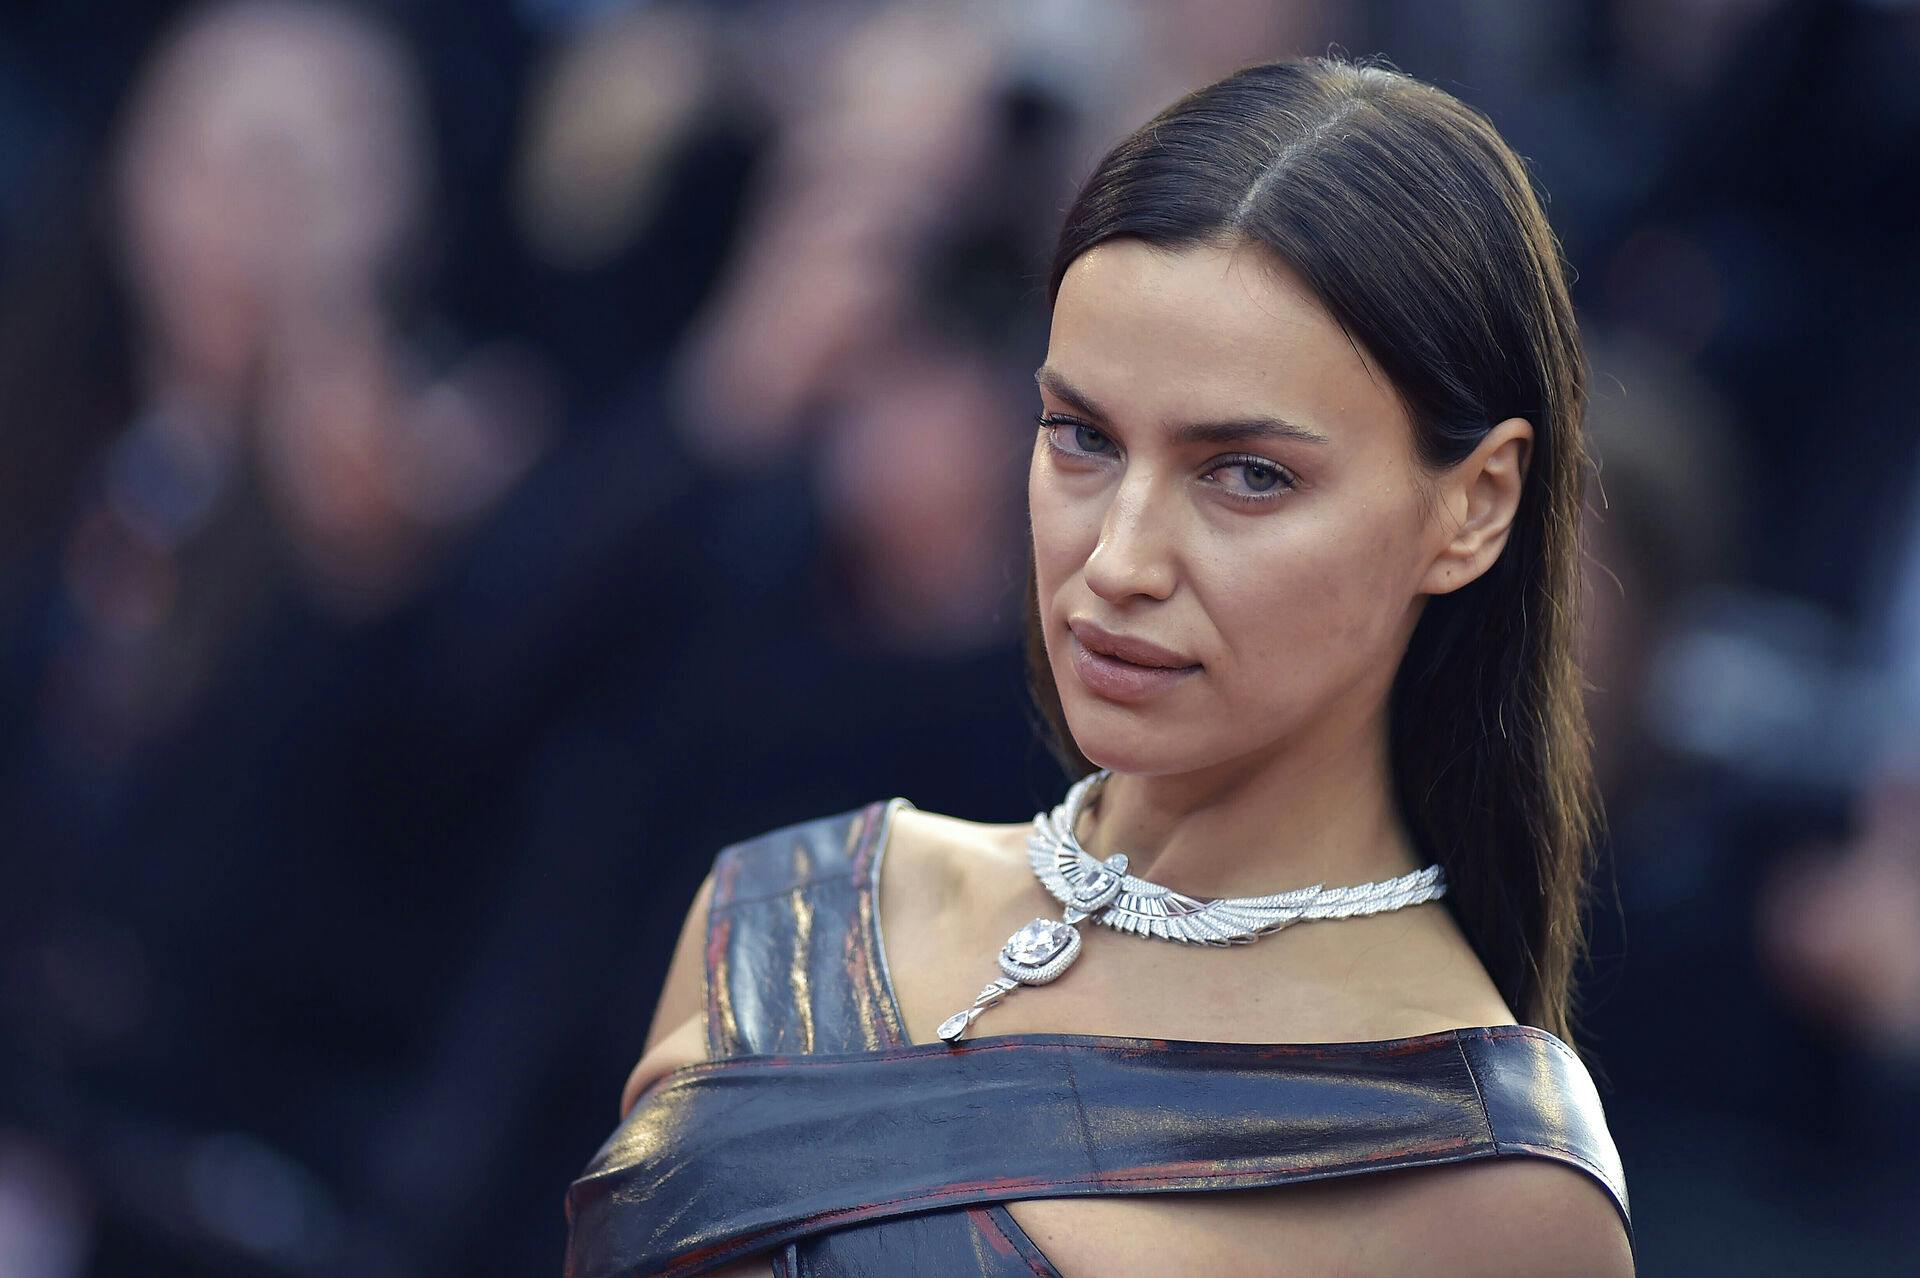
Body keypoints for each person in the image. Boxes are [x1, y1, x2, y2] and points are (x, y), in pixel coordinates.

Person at [565, 56, 1633, 1277]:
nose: (1118, 559)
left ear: (1476, 507)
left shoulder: (1490, 1187)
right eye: (1081, 437)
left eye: (1248, 474)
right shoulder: (786, 905)